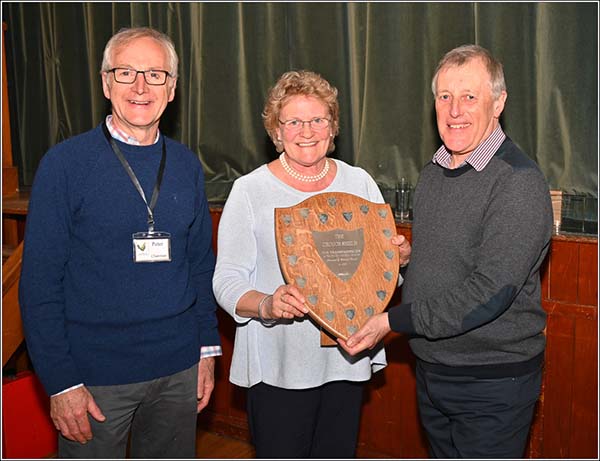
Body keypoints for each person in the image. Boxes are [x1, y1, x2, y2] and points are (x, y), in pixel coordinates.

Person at [340, 44, 553, 459]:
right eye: (445, 97)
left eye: (469, 97)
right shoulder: (434, 173)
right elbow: (451, 263)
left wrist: (394, 320)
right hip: (434, 371)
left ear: (499, 103)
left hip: (491, 383)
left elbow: (489, 291)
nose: (455, 110)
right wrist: (405, 262)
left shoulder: (518, 183)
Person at [18, 27, 221, 459]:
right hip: (94, 378)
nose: (141, 86)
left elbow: (201, 266)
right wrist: (61, 381)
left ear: (172, 89)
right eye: (126, 72)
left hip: (178, 368)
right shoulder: (65, 165)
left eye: (155, 74)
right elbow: (39, 285)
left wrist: (206, 352)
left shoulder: (185, 165)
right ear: (106, 82)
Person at [212, 70, 411, 458]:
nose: (307, 130)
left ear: (333, 126)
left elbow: (382, 279)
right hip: (279, 362)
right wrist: (267, 304)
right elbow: (227, 281)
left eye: (318, 119)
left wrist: (396, 261)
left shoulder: (359, 183)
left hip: (345, 357)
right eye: (294, 121)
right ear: (276, 130)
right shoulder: (250, 190)